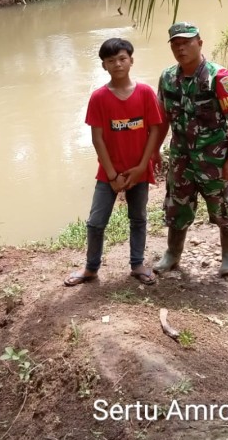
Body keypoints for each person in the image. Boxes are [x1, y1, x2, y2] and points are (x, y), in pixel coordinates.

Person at [64, 38, 163, 287]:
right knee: (96, 222)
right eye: (111, 61)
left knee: (138, 218)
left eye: (122, 58)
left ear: (131, 60)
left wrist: (142, 166)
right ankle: (90, 268)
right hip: (108, 173)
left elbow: (154, 130)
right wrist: (111, 175)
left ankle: (137, 264)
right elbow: (97, 138)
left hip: (139, 171)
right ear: (104, 66)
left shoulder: (145, 93)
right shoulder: (99, 98)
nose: (117, 64)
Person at [152, 22, 228, 276]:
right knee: (176, 207)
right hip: (181, 159)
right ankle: (172, 254)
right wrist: (155, 149)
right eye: (176, 44)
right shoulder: (168, 77)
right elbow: (163, 119)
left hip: (214, 160)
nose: (181, 49)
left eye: (187, 43)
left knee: (223, 208)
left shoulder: (220, 77)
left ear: (200, 43)